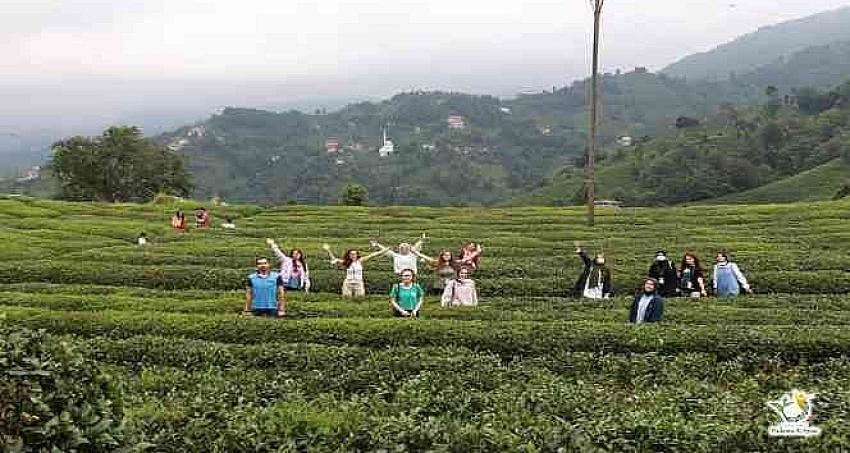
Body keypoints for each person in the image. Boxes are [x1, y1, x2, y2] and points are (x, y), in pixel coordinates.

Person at [324, 243, 388, 297]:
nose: (353, 255)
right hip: (348, 283)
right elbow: (334, 259)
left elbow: (372, 255)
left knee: (360, 299)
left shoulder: (360, 261)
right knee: (347, 299)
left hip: (358, 283)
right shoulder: (346, 262)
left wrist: (383, 251)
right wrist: (328, 250)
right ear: (349, 255)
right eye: (351, 254)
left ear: (357, 255)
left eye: (354, 254)